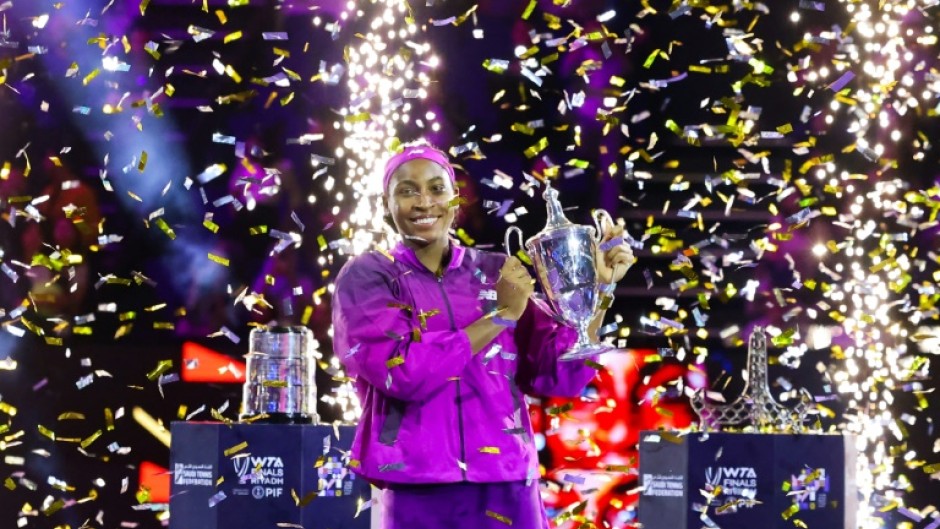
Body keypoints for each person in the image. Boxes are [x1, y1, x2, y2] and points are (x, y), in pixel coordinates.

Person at [331, 143, 635, 529]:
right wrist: (501, 317)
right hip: (415, 485)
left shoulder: (496, 272)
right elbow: (404, 372)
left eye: (437, 188)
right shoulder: (369, 276)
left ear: (455, 198)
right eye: (407, 191)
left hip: (507, 482)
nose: (425, 202)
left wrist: (598, 294)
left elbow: (560, 377)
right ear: (387, 203)